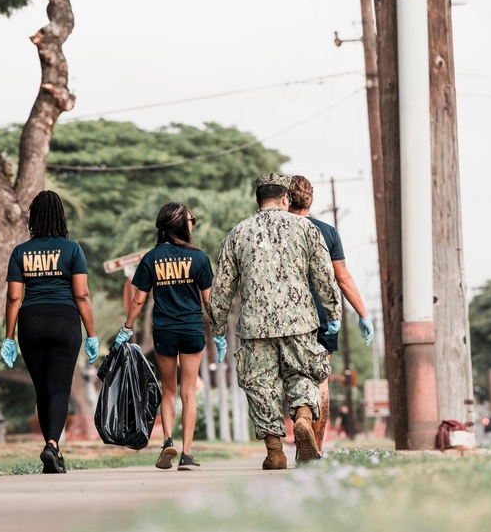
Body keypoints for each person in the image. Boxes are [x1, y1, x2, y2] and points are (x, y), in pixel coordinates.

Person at [208, 173, 341, 469]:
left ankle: (275, 452)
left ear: (258, 200)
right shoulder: (305, 228)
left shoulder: (238, 233)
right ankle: (304, 417)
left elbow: (221, 288)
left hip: (255, 327)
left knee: (261, 386)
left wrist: (217, 328)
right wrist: (333, 314)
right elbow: (324, 275)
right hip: (300, 322)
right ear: (285, 199)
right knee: (304, 374)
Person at [1, 190, 99, 474]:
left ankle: (51, 448)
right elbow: (82, 295)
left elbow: (13, 298)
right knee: (58, 388)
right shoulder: (72, 250)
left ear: (33, 218)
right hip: (64, 322)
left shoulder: (21, 252)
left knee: (42, 389)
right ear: (60, 215)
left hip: (31, 322)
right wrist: (91, 334)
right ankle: (53, 446)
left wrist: (9, 337)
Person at [113, 202, 213, 471]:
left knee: (168, 390)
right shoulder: (199, 258)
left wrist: (126, 328)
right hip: (192, 330)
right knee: (189, 392)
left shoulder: (152, 258)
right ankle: (187, 454)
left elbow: (138, 300)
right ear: (183, 224)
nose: (193, 223)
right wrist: (219, 331)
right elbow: (209, 302)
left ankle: (167, 439)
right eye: (192, 219)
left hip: (165, 331)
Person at [288, 175, 374, 454]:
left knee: (290, 377)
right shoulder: (328, 232)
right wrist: (363, 314)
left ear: (286, 199)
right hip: (324, 318)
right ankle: (317, 446)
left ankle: (285, 436)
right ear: (311, 199)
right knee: (321, 380)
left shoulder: (280, 231)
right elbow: (343, 277)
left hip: (287, 317)